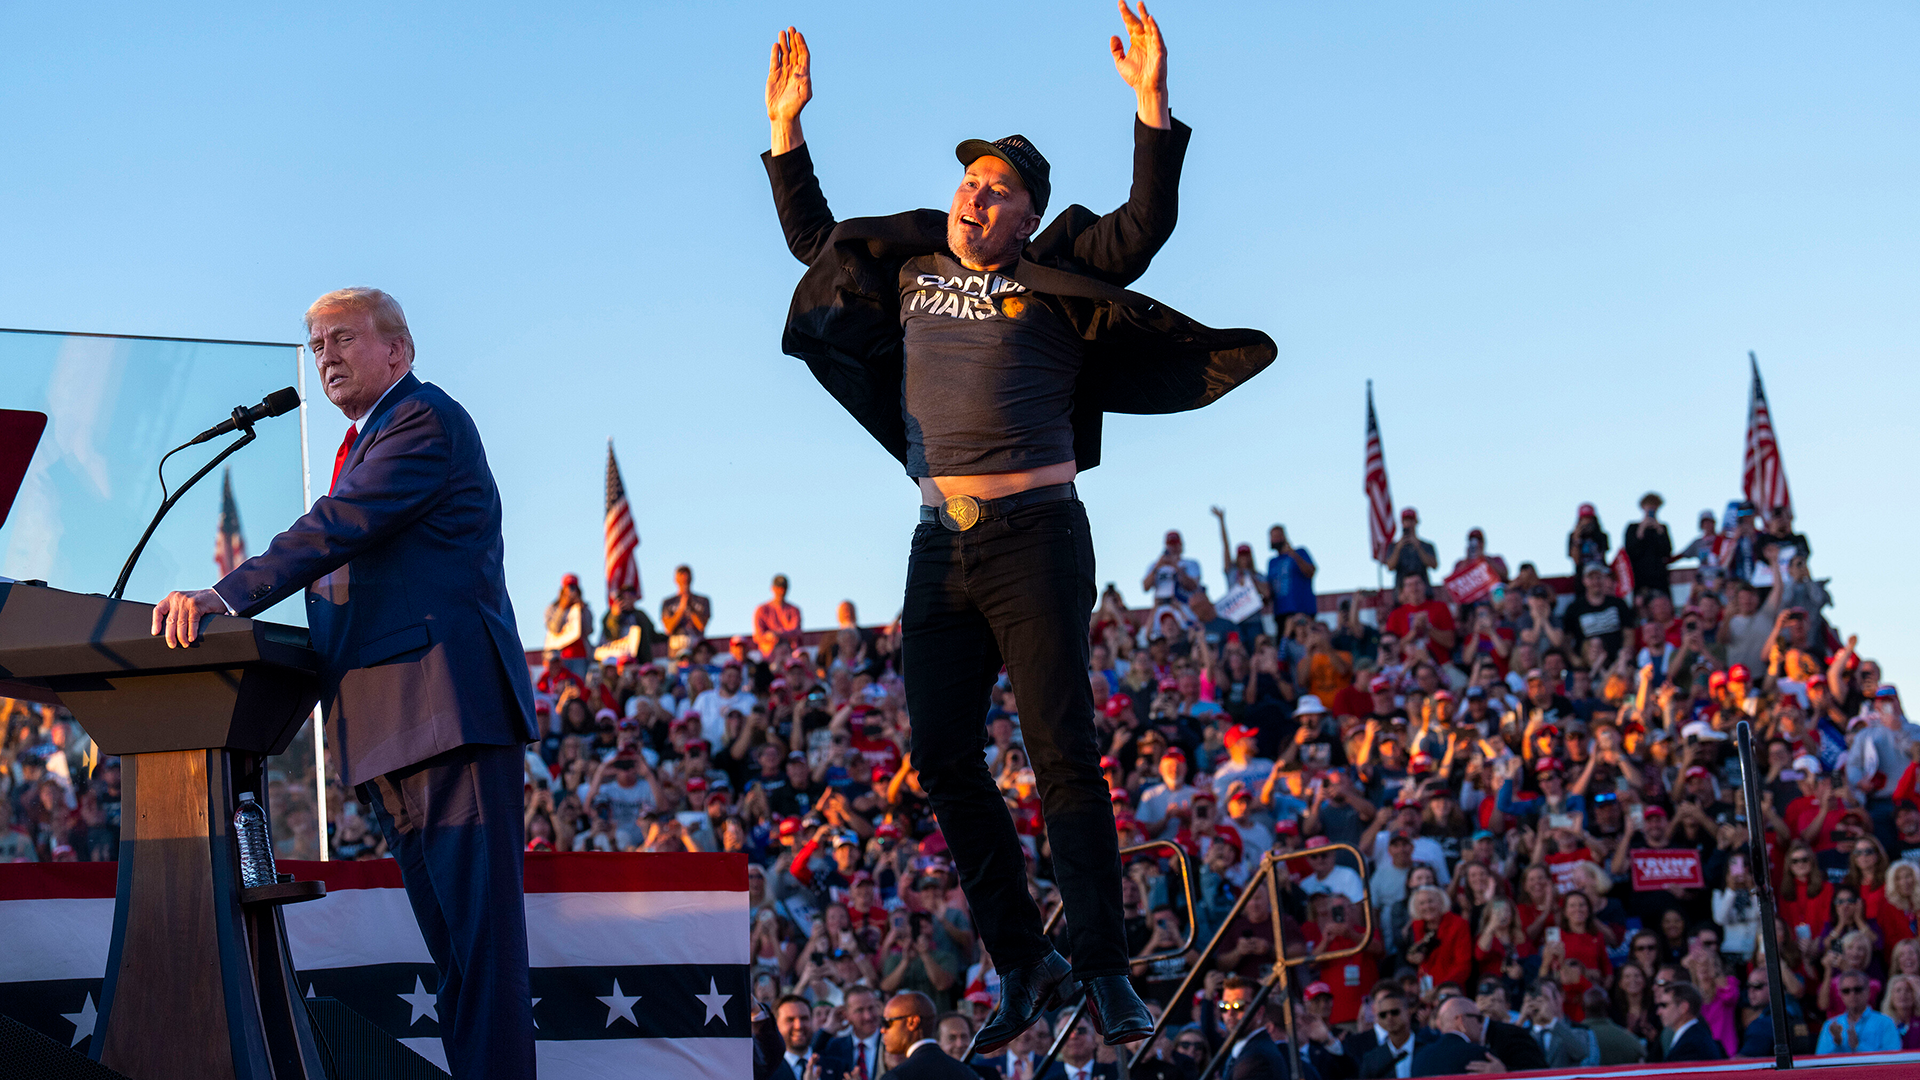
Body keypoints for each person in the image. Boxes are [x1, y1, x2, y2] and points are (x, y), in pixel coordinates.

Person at [762, 5, 1272, 1054]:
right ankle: (1023, 962)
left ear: (1027, 213)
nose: (971, 196)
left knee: (1063, 755)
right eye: (967, 181)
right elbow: (820, 242)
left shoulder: (1054, 268)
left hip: (1038, 534)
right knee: (944, 757)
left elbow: (1142, 227)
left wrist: (1150, 105)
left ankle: (1102, 970)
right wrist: (787, 133)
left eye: (994, 190)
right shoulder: (911, 266)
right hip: (936, 543)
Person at [151, 288, 538, 1079]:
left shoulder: (423, 421)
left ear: (399, 351)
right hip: (392, 728)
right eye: (316, 343)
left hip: (446, 718)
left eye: (342, 339)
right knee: (460, 961)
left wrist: (225, 598)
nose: (324, 355)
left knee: (482, 959)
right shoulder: (371, 439)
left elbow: (338, 526)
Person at [882, 990, 976, 1079]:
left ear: (912, 1022)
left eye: (887, 1023)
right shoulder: (967, 1073)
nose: (882, 1030)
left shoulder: (898, 1076)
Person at [1815, 971, 1902, 1053]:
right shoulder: (1830, 1025)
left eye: (1857, 989)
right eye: (1846, 991)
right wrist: (1837, 1042)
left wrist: (1858, 1046)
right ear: (1841, 995)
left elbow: (1893, 1058)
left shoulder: (1885, 1023)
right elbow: (1820, 1062)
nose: (1852, 994)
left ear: (1868, 991)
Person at [1358, 985, 1433, 1079]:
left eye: (1395, 1012)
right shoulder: (1372, 1060)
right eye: (1383, 1014)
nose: (1389, 1018)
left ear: (1408, 1012)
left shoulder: (1429, 1050)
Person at [1654, 982, 1726, 1063]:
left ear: (1683, 1007)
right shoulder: (1695, 1037)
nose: (1659, 1012)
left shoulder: (1691, 1046)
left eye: (1664, 1005)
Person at [1623, 493, 1673, 599]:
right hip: (1640, 578)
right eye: (1649, 506)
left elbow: (1667, 552)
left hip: (1659, 579)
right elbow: (1630, 551)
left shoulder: (1662, 528)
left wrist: (1659, 532)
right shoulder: (1632, 527)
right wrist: (1640, 531)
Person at [1039, 1014, 1119, 1080]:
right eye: (1066, 1033)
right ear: (1056, 1042)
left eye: (1081, 1030)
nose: (1073, 1036)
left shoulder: (1118, 1074)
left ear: (1094, 1038)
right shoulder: (1046, 1078)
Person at [543, 572, 592, 674]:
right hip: (559, 656)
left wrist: (582, 610)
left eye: (574, 587)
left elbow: (589, 630)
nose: (571, 591)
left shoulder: (584, 608)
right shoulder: (553, 608)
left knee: (578, 685)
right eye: (568, 588)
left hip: (580, 655)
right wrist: (562, 608)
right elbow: (554, 628)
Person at [661, 563, 713, 658]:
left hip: (696, 651)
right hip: (675, 651)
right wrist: (681, 609)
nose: (684, 580)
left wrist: (691, 608)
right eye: (681, 577)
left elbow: (701, 626)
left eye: (686, 577)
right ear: (676, 579)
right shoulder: (668, 602)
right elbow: (668, 628)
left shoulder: (703, 600)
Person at [755, 573, 805, 659]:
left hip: (790, 655)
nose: (781, 591)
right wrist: (770, 637)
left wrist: (777, 633)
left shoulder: (794, 610)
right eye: (779, 588)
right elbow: (758, 635)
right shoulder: (762, 610)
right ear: (772, 588)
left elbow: (796, 631)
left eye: (784, 588)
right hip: (769, 656)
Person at [1384, 508, 1438, 589]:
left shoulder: (1426, 546)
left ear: (1416, 522)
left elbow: (1434, 565)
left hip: (1424, 592)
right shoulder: (1394, 546)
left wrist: (1418, 546)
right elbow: (1390, 567)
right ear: (1402, 523)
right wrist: (1398, 548)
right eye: (1406, 521)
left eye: (1411, 520)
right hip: (1402, 593)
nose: (1409, 524)